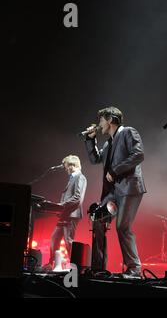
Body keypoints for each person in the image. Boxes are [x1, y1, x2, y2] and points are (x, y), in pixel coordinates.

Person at [84, 106, 146, 279]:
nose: (99, 124)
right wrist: (90, 140)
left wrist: (115, 170)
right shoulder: (108, 143)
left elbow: (139, 154)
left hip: (129, 187)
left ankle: (134, 269)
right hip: (113, 192)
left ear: (110, 119)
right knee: (97, 219)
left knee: (122, 227)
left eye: (101, 120)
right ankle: (98, 267)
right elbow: (95, 159)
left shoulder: (128, 132)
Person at [42, 155, 87, 270]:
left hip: (72, 214)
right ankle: (51, 263)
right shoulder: (72, 178)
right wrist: (59, 208)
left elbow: (77, 198)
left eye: (66, 166)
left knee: (68, 241)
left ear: (72, 165)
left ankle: (76, 266)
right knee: (54, 238)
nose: (66, 169)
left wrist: (61, 205)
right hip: (65, 214)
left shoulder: (80, 177)